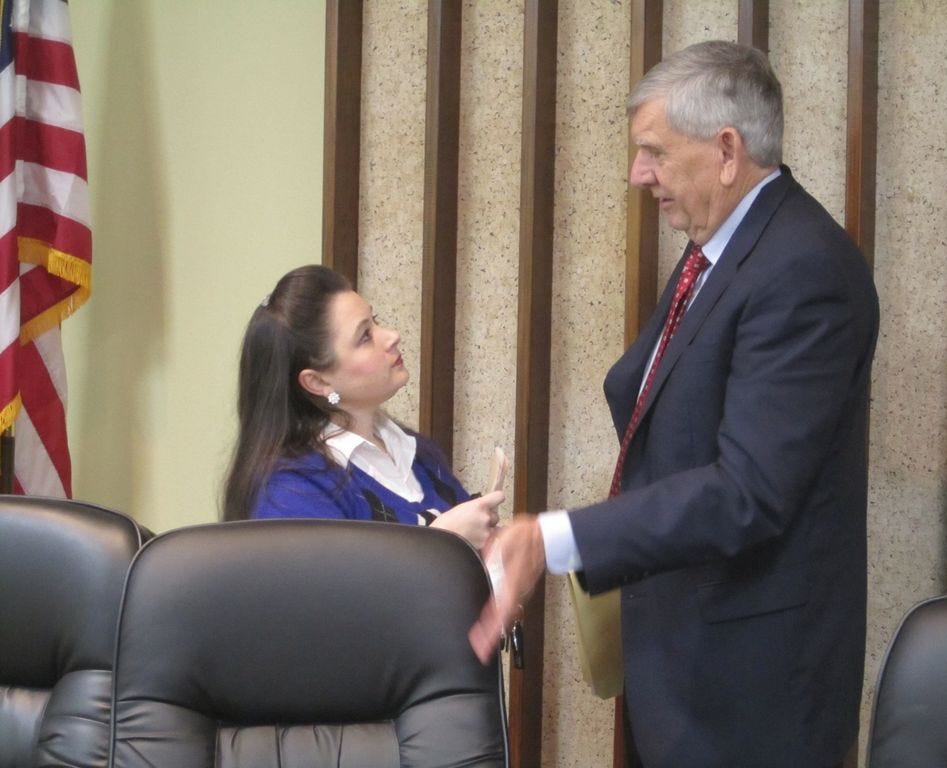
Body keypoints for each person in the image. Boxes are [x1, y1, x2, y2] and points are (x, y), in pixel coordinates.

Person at [470, 41, 879, 768]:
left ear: (726, 150)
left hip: (752, 697)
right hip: (685, 664)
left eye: (654, 152)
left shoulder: (802, 268)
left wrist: (555, 538)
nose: (638, 175)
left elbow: (748, 491)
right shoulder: (720, 248)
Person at [223, 265, 503, 551]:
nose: (392, 336)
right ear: (318, 382)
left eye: (376, 321)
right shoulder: (290, 491)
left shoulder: (417, 453)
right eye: (365, 336)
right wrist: (444, 540)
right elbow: (335, 593)